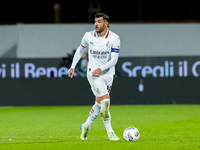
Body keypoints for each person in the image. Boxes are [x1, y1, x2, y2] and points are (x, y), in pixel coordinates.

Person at [68, 13, 120, 141]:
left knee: (98, 104)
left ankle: (85, 126)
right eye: (95, 21)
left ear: (106, 23)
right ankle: (110, 132)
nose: (96, 24)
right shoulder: (88, 36)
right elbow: (80, 50)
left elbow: (114, 60)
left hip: (107, 74)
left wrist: (101, 69)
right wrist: (73, 66)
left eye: (99, 21)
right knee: (105, 101)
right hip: (93, 74)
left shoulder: (114, 38)